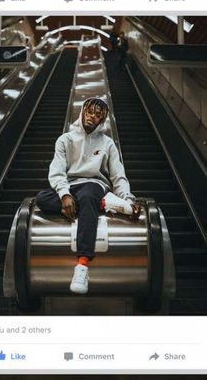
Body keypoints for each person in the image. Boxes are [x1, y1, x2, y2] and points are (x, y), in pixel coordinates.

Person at [36, 98, 140, 294]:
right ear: (82, 112)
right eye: (89, 112)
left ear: (103, 120)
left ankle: (82, 265)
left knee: (88, 195)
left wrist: (127, 198)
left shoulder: (107, 143)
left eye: (98, 114)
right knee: (41, 198)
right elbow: (57, 171)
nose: (92, 116)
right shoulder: (65, 140)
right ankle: (103, 204)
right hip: (72, 186)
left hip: (94, 185)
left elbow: (118, 175)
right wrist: (65, 194)